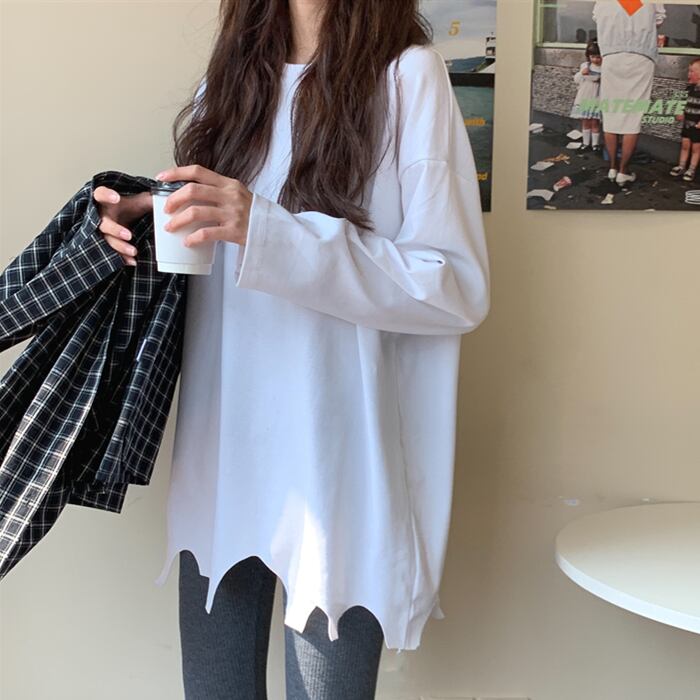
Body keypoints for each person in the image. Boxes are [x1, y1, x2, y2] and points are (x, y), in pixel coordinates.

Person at [92, 0, 490, 698]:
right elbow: (217, 268)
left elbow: (453, 287)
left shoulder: (409, 77)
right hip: (223, 455)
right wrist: (150, 221)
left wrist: (267, 228)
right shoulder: (228, 84)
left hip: (339, 471)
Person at [592, 1, 666, 185]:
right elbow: (659, 20)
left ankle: (612, 168)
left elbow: (597, 17)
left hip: (611, 55)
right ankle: (623, 171)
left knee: (610, 113)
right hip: (641, 55)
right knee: (632, 115)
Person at [670, 58, 700, 182]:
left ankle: (692, 169)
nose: (689, 74)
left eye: (692, 71)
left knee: (696, 148)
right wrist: (679, 111)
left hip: (697, 125)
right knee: (685, 145)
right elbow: (682, 102)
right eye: (689, 71)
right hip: (687, 123)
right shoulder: (689, 89)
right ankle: (681, 166)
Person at [570, 40, 603, 152]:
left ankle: (595, 144)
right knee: (585, 121)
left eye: (598, 57)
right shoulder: (585, 66)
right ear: (588, 56)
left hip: (597, 96)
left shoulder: (604, 67)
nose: (595, 60)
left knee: (595, 121)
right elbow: (576, 80)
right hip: (585, 95)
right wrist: (581, 73)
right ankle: (585, 143)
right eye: (593, 57)